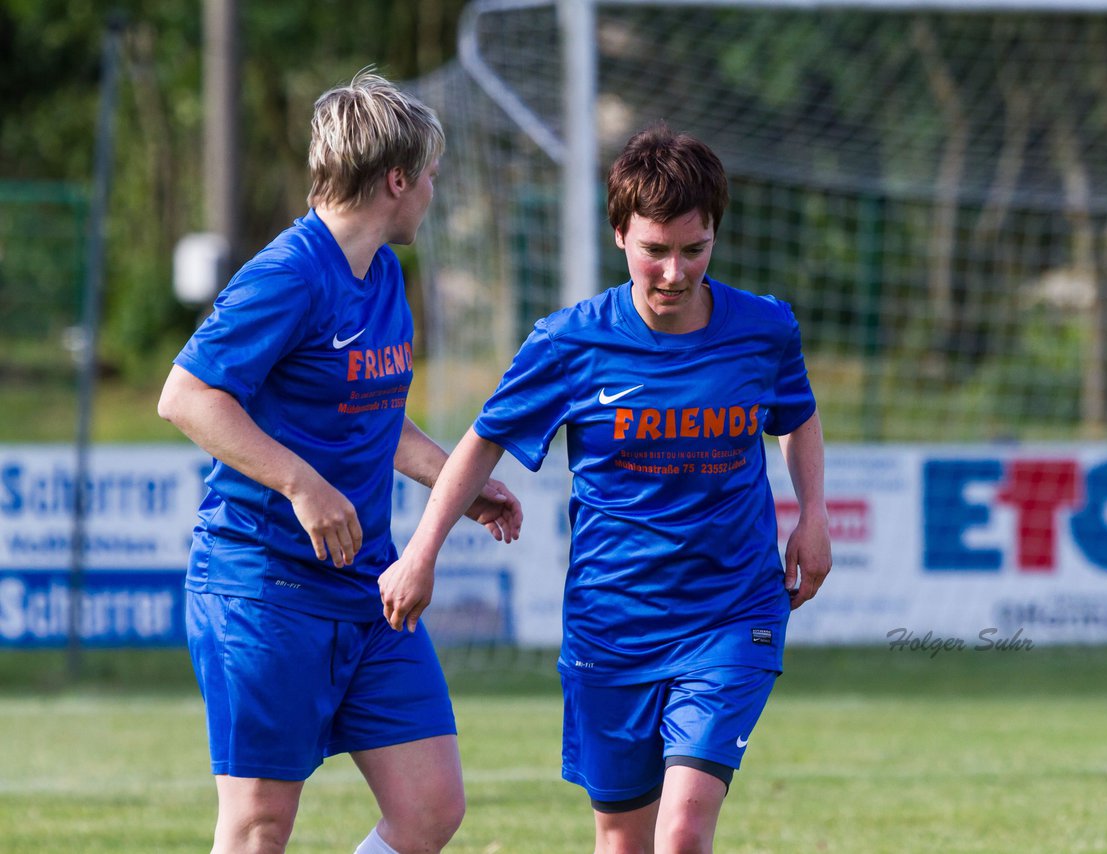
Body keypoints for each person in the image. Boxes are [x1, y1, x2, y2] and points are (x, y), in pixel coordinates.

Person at [379, 121, 831, 853]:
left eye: (694, 250)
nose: (676, 274)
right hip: (611, 625)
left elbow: (797, 416)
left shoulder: (765, 329)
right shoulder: (569, 342)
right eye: (655, 252)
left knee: (682, 832)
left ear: (715, 234)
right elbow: (480, 442)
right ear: (619, 233)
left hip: (731, 611)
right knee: (623, 840)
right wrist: (421, 552)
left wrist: (815, 515)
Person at [157, 70, 522, 854]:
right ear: (396, 179)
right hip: (266, 588)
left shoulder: (384, 273)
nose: (433, 190)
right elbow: (186, 396)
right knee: (258, 826)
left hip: (368, 588)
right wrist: (302, 483)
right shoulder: (287, 274)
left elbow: (372, 411)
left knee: (430, 807)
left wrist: (459, 480)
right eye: (429, 175)